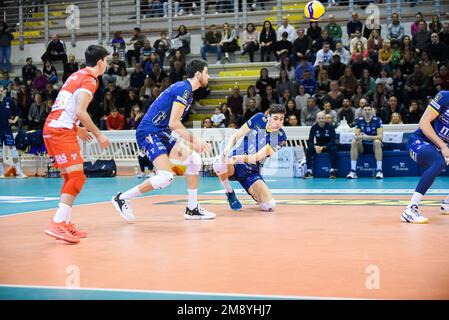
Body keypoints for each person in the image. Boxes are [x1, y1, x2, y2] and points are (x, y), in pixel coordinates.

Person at [111, 59, 216, 221]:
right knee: (165, 177)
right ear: (198, 74)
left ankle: (192, 208)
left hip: (161, 133)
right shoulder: (184, 89)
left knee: (194, 160)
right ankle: (122, 197)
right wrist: (196, 141)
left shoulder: (186, 90)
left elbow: (170, 123)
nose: (208, 76)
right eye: (207, 72)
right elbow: (174, 123)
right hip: (149, 133)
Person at [42, 45, 110, 244]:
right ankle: (56, 223)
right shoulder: (90, 80)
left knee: (69, 177)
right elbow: (80, 111)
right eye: (106, 61)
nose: (107, 64)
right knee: (78, 177)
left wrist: (77, 128)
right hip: (60, 130)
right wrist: (99, 135)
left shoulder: (76, 74)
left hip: (54, 127)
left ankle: (65, 224)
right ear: (100, 62)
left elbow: (68, 105)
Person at [212, 105, 287, 212]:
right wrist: (227, 150)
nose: (278, 122)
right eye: (275, 118)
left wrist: (236, 158)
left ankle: (254, 193)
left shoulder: (280, 138)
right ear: (268, 117)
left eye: (281, 119)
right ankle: (229, 192)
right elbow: (237, 135)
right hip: (235, 166)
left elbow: (255, 158)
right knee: (218, 162)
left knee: (270, 206)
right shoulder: (259, 118)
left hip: (251, 171)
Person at [401, 90, 449, 223]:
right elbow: (423, 122)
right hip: (419, 142)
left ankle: (447, 204)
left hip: (439, 147)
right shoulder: (445, 97)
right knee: (438, 162)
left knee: (439, 160)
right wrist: (443, 146)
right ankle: (410, 209)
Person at [346, 105, 384, 180]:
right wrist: (358, 137)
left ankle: (379, 171)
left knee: (377, 142)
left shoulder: (377, 120)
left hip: (373, 146)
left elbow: (380, 137)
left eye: (369, 110)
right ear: (362, 112)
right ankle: (353, 171)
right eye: (365, 110)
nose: (367, 111)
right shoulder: (359, 120)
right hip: (362, 146)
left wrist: (368, 137)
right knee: (354, 142)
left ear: (372, 111)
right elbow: (356, 135)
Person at [0, 86, 26, 179]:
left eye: (1, 89)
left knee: (13, 150)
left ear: (3, 90)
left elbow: (18, 112)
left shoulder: (8, 100)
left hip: (7, 130)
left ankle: (19, 172)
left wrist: (14, 121)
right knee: (0, 152)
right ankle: (1, 172)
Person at [304, 112, 337, 179]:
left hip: (328, 146)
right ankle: (309, 171)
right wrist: (315, 147)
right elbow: (310, 141)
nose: (321, 120)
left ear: (325, 119)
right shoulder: (314, 127)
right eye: (319, 118)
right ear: (316, 119)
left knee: (334, 148)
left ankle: (332, 171)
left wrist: (324, 147)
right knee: (308, 150)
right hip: (318, 146)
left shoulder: (330, 127)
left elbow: (333, 141)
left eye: (322, 118)